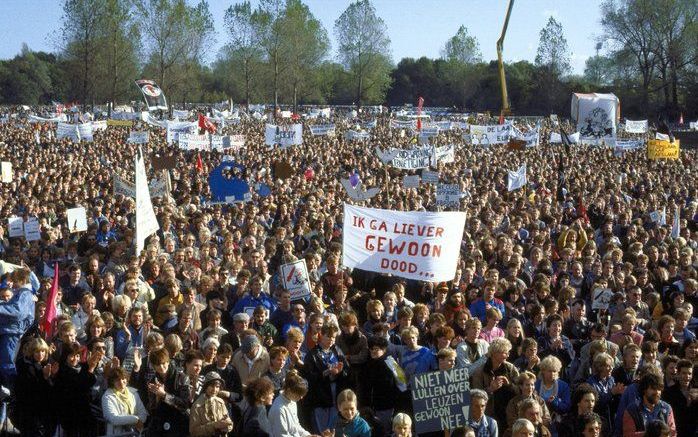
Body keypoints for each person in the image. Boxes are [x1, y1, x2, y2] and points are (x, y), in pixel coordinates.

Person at [304, 323, 350, 434]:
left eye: (334, 337)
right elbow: (309, 377)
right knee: (322, 429)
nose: (331, 339)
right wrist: (325, 373)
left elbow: (347, 370)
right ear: (321, 335)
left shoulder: (337, 350)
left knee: (334, 428)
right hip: (320, 396)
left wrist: (339, 372)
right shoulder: (312, 354)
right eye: (328, 336)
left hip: (336, 394)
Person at [471, 337, 519, 427]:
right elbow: (475, 396)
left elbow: (520, 390)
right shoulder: (479, 372)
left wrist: (509, 385)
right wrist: (490, 389)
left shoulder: (511, 369)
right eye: (505, 353)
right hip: (490, 415)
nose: (508, 355)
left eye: (508, 352)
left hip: (509, 413)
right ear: (494, 353)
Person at [101, 367, 148, 436]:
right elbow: (114, 419)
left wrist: (138, 421)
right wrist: (135, 420)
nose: (121, 382)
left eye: (123, 379)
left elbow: (143, 413)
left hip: (135, 433)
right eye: (117, 380)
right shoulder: (107, 397)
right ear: (112, 382)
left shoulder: (134, 393)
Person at [189, 371, 234, 437]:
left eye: (217, 387)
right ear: (206, 386)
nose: (214, 389)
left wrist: (227, 426)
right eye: (212, 386)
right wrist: (214, 426)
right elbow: (194, 432)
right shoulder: (197, 406)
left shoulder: (220, 402)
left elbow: (229, 423)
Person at [661, 359, 697, 437]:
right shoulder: (668, 393)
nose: (687, 376)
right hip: (677, 433)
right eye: (684, 373)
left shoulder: (696, 391)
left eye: (689, 373)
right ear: (677, 374)